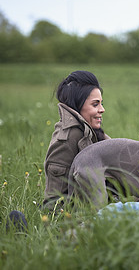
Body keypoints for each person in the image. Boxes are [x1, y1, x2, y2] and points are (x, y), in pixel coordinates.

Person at [42, 70, 110, 210]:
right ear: (78, 105)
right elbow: (53, 201)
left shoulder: (91, 132)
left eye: (101, 103)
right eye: (95, 104)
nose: (102, 109)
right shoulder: (67, 139)